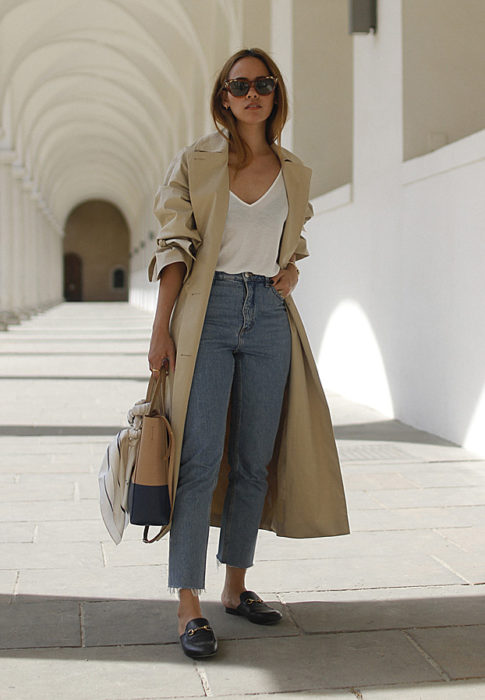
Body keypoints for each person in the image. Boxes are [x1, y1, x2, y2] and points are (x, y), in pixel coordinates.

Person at [147, 48, 349, 659]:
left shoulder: (295, 170)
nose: (251, 93)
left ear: (275, 95)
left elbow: (292, 238)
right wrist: (162, 331)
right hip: (206, 317)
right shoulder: (197, 161)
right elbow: (174, 244)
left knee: (254, 461)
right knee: (199, 457)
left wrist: (290, 273)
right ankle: (188, 604)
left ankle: (236, 588)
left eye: (263, 84)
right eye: (240, 85)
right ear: (224, 97)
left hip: (266, 317)